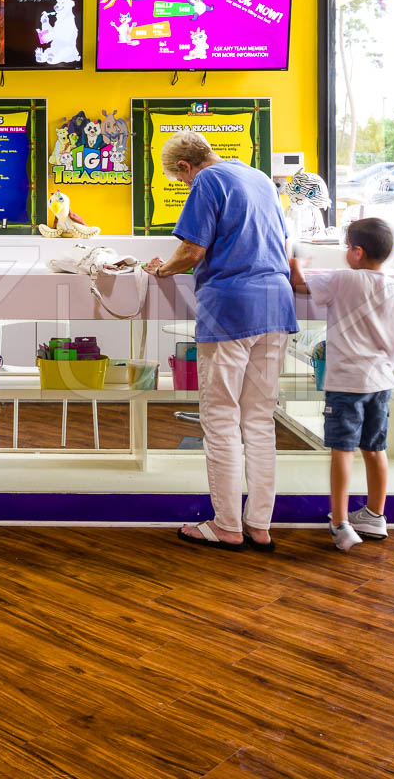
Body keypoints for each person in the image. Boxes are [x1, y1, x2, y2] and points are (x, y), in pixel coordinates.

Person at [144, 130, 297, 552]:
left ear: (185, 167)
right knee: (260, 421)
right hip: (276, 305)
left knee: (222, 419)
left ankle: (227, 525)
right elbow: (284, 245)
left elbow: (192, 252)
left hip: (232, 307)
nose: (186, 187)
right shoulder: (260, 177)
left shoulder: (208, 181)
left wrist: (161, 270)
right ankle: (259, 525)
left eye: (181, 183)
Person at [289, 218, 394, 551]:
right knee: (374, 449)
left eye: (346, 247)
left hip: (346, 382)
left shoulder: (343, 281)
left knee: (342, 451)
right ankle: (374, 515)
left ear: (357, 252)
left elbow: (299, 285)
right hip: (381, 380)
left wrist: (295, 263)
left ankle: (339, 522)